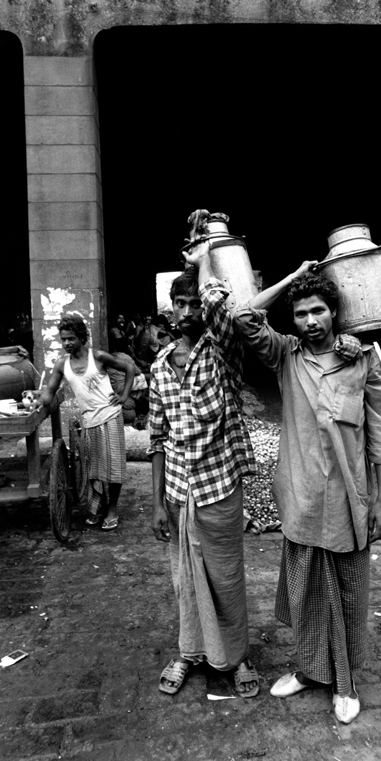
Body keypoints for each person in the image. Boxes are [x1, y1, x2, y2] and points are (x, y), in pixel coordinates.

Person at [233, 262, 381, 723]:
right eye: (301, 313)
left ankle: (345, 683)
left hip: (349, 500)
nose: (310, 321)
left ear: (335, 312)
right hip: (301, 496)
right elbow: (245, 317)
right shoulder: (286, 354)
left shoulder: (363, 359)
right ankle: (308, 670)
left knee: (344, 592)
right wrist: (293, 277)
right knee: (306, 592)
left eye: (318, 310)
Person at [148, 241, 259, 698]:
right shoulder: (157, 368)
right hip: (179, 492)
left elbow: (225, 307)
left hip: (219, 490)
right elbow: (157, 439)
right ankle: (189, 652)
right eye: (181, 302)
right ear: (170, 310)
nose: (190, 310)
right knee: (185, 580)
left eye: (195, 302)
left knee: (226, 578)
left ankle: (234, 659)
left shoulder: (223, 354)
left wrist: (203, 261)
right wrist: (156, 503)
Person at [34, 314, 134, 530]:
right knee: (94, 469)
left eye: (71, 338)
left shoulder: (97, 356)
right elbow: (49, 393)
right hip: (89, 420)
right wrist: (36, 403)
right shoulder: (62, 365)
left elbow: (129, 369)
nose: (67, 343)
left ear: (81, 337)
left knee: (113, 467)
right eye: (63, 340)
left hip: (110, 415)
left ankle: (112, 508)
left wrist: (124, 396)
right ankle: (99, 507)